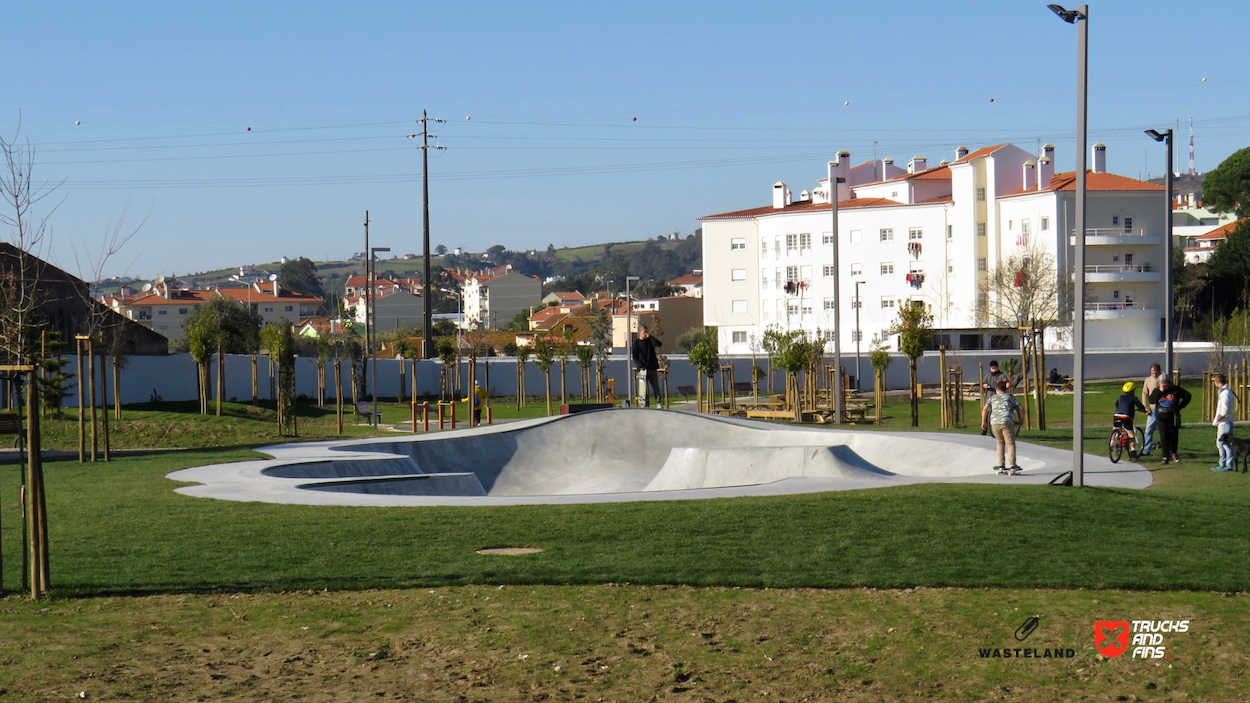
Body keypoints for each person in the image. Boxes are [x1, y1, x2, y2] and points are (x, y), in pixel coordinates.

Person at [1147, 375, 1192, 465]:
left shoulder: (1175, 390)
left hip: (1172, 416)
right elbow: (1151, 400)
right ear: (1159, 383)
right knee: (1164, 437)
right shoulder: (1156, 390)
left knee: (1173, 436)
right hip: (1160, 417)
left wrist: (1179, 407)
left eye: (1165, 382)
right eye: (1162, 382)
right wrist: (1160, 391)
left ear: (1169, 383)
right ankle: (1165, 457)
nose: (1164, 384)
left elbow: (1188, 396)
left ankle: (1174, 453)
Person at [981, 380, 1023, 472]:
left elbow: (985, 409)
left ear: (996, 389)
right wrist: (1022, 418)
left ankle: (1001, 464)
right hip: (1007, 421)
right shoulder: (1010, 397)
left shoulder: (992, 398)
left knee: (999, 442)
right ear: (1006, 389)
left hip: (994, 423)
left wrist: (983, 421)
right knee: (1010, 443)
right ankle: (1012, 464)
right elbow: (1021, 408)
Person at [1113, 381, 1150, 454]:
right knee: (1131, 434)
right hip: (1126, 417)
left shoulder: (1121, 397)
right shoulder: (1134, 398)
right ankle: (1133, 450)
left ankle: (1112, 443)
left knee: (1116, 429)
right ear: (1133, 391)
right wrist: (1145, 411)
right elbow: (1140, 406)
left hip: (1117, 415)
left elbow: (1117, 405)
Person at [630, 325, 663, 407]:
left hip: (652, 367)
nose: (646, 334)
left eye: (646, 332)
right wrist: (640, 366)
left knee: (655, 386)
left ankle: (658, 402)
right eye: (644, 332)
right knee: (643, 388)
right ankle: (645, 403)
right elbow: (635, 356)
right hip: (642, 369)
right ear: (640, 332)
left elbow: (659, 344)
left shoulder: (649, 341)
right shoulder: (636, 343)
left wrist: (650, 337)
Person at [1212, 373, 1237, 472]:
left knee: (1223, 444)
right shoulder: (1227, 392)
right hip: (1226, 422)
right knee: (1224, 444)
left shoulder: (1225, 393)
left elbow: (1224, 409)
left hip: (1224, 422)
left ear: (1217, 382)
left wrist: (1218, 417)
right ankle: (1225, 463)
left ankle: (1225, 464)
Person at [1139, 363, 1162, 456]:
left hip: (1164, 409)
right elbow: (1145, 393)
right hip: (1152, 410)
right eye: (1153, 373)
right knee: (1148, 430)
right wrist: (1145, 407)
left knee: (1165, 431)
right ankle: (1146, 450)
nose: (1154, 374)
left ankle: (1169, 451)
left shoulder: (1164, 379)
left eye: (1156, 373)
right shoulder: (1148, 381)